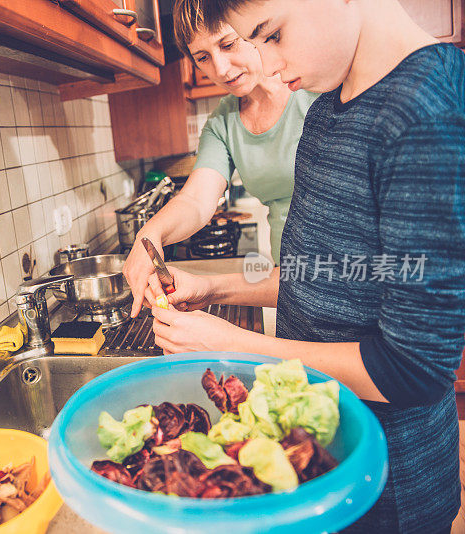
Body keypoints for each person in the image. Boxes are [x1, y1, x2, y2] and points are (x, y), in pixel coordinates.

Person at [146, 0, 465, 531]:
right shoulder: (326, 109)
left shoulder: (426, 115)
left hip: (389, 480)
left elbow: (412, 371)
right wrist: (210, 288)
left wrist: (233, 345)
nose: (264, 66)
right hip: (318, 454)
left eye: (269, 35)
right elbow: (319, 277)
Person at [122, 0, 318, 319]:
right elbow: (197, 201)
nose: (221, 69)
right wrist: (150, 233)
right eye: (203, 58)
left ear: (252, 27)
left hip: (346, 277)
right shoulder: (222, 122)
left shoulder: (314, 88)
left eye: (227, 44)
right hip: (286, 281)